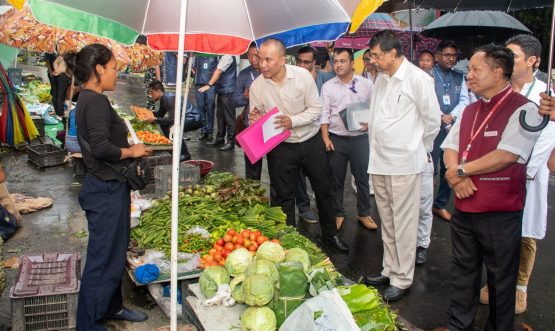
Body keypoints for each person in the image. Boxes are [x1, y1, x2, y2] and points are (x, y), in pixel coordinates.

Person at [439, 44, 541, 331]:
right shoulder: (471, 108)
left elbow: (507, 155)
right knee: (463, 273)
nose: (468, 75)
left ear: (498, 73)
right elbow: (451, 147)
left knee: (500, 279)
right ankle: (458, 325)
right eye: (469, 69)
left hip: (499, 211)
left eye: (475, 69)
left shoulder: (525, 109)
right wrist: (456, 174)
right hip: (464, 208)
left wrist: (459, 171)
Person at [64, 43, 152, 331]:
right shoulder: (95, 101)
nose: (117, 73)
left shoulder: (89, 98)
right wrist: (132, 152)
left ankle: (112, 306)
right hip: (104, 190)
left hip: (107, 185)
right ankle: (88, 324)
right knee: (102, 260)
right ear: (99, 69)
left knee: (115, 254)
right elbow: (101, 147)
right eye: (114, 68)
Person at [477, 34, 555, 315]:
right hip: (497, 172)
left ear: (532, 61)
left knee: (524, 235)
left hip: (529, 176)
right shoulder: (500, 90)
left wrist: (525, 169)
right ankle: (495, 282)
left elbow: (547, 140)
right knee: (495, 233)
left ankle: (520, 287)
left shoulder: (547, 95)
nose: (507, 61)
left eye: (515, 56)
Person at [249, 38, 349, 253]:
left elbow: (316, 109)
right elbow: (255, 117)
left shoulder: (302, 76)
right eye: (260, 59)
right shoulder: (257, 85)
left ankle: (330, 235)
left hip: (310, 141)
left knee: (324, 190)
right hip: (281, 146)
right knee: (283, 197)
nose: (262, 64)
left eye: (268, 59)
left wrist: (292, 121)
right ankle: (287, 243)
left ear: (283, 60)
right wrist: (254, 120)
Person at [362, 30, 441, 301]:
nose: (372, 60)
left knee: (404, 222)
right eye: (371, 55)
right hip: (380, 160)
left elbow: (432, 120)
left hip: (405, 162)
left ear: (393, 53)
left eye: (376, 55)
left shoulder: (418, 79)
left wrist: (419, 150)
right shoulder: (381, 79)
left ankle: (403, 278)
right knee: (388, 221)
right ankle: (389, 268)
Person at [320, 48, 376, 231]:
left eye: (343, 61)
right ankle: (338, 213)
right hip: (337, 139)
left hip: (360, 139)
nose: (338, 65)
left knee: (362, 178)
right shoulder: (328, 86)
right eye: (335, 61)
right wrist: (325, 137)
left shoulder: (366, 84)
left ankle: (364, 213)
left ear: (352, 63)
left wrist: (370, 123)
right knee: (336, 179)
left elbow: (376, 108)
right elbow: (324, 115)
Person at [292, 46, 335, 223]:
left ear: (315, 63)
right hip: (298, 133)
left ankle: (327, 209)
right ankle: (303, 207)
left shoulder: (324, 79)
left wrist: (332, 54)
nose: (302, 65)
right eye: (299, 61)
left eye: (307, 62)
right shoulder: (292, 79)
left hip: (320, 132)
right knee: (298, 175)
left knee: (321, 173)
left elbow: (338, 74)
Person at [431, 40, 470, 223]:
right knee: (429, 166)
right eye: (446, 55)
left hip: (451, 128)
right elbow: (425, 100)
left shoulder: (460, 77)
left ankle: (440, 204)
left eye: (453, 55)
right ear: (438, 56)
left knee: (449, 167)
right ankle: (424, 203)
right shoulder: (428, 75)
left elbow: (464, 100)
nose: (450, 58)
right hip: (431, 128)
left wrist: (451, 116)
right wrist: (440, 115)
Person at [415, 57, 436, 266]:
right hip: (401, 161)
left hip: (422, 157)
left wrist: (419, 149)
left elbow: (432, 126)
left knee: (423, 206)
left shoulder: (430, 107)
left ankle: (422, 244)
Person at [146, 80, 198, 161]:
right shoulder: (164, 98)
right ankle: (175, 148)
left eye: (151, 92)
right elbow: (160, 114)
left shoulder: (169, 99)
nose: (150, 95)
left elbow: (173, 120)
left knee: (172, 128)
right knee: (163, 123)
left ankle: (184, 155)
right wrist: (147, 113)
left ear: (159, 91)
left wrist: (155, 119)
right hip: (185, 118)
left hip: (193, 118)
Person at [234, 43, 262, 180]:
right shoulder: (244, 75)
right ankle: (254, 197)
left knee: (277, 168)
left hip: (271, 125)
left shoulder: (271, 72)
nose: (252, 59)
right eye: (249, 56)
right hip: (251, 126)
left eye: (256, 55)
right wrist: (245, 98)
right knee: (252, 171)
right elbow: (235, 100)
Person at [200, 55, 237, 151]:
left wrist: (209, 85)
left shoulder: (227, 56)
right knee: (220, 116)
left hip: (228, 90)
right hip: (221, 90)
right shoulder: (221, 56)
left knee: (229, 118)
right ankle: (220, 139)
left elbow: (219, 70)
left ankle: (231, 141)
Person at [194, 54, 219, 140]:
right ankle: (203, 130)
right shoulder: (197, 54)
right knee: (200, 107)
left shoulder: (215, 55)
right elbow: (193, 67)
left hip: (211, 84)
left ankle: (210, 130)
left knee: (210, 106)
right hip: (199, 83)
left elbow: (218, 70)